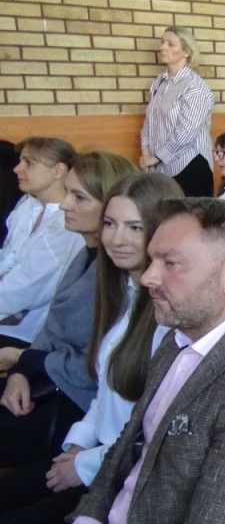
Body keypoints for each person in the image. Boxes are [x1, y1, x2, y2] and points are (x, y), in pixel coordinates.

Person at [0, 198, 225, 524]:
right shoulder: (181, 336)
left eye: (170, 263)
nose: (148, 277)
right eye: (152, 260)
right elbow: (127, 442)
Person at [0, 171, 179, 524]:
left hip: (122, 475)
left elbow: (154, 432)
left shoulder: (170, 314)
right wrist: (77, 445)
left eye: (134, 227)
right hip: (95, 452)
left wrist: (84, 464)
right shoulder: (126, 291)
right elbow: (105, 392)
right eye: (111, 224)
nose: (116, 239)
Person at [0, 153, 135, 470]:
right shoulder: (86, 256)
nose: (63, 205)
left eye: (78, 197)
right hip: (44, 375)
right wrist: (21, 372)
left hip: (75, 403)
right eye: (67, 193)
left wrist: (23, 359)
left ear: (110, 206)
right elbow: (51, 329)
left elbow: (95, 368)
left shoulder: (118, 276)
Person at [1, 137, 82, 348]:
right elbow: (6, 259)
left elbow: (26, 288)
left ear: (58, 171)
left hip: (26, 335)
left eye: (29, 163)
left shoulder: (68, 224)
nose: (17, 169)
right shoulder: (29, 205)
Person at [139, 27, 215, 197]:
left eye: (170, 44)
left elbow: (186, 133)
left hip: (190, 167)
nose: (162, 47)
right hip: (160, 169)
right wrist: (146, 153)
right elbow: (149, 122)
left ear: (187, 52)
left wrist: (156, 157)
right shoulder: (159, 82)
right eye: (162, 42)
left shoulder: (195, 87)